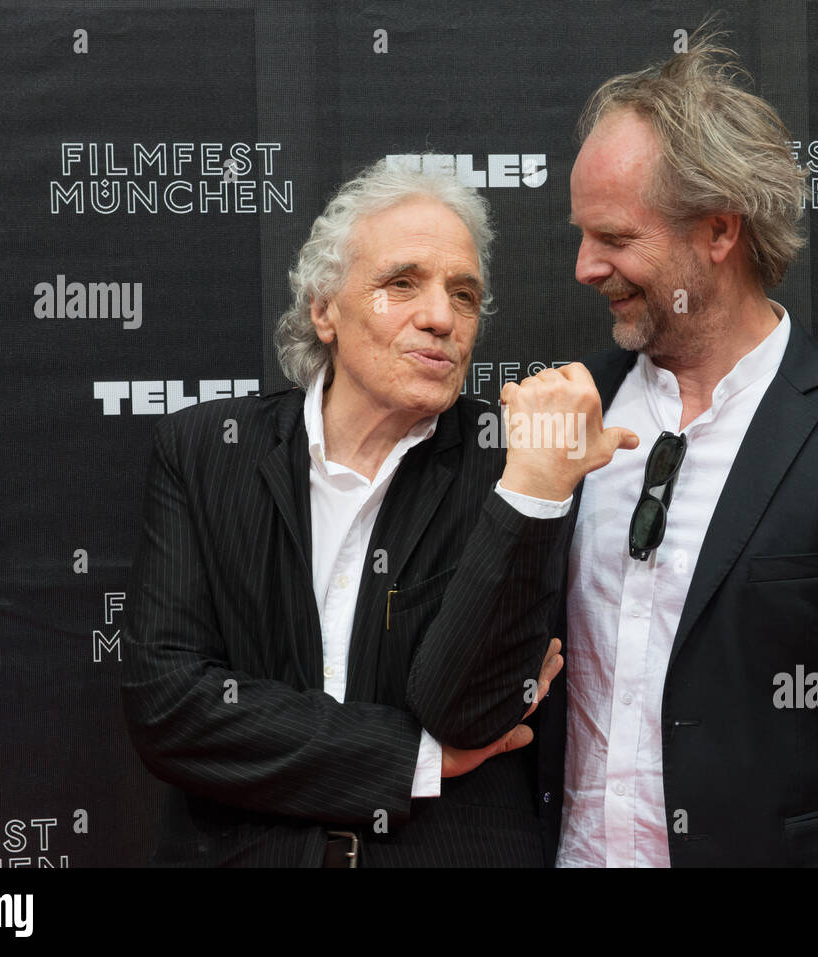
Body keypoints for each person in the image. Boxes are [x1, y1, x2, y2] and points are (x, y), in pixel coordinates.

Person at [532, 33, 818, 866]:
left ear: (718, 232)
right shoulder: (563, 412)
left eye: (616, 238)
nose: (585, 266)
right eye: (581, 234)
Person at [121, 159, 630, 866]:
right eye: (402, 284)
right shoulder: (206, 451)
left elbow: (469, 709)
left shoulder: (512, 465)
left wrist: (535, 491)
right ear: (324, 309)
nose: (441, 317)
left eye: (464, 294)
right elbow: (170, 705)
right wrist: (417, 758)